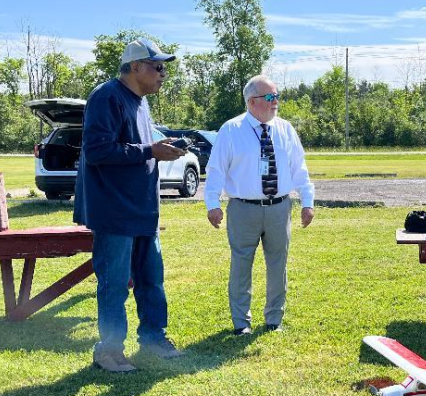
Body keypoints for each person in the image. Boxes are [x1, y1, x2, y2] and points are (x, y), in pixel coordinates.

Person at [74, 38, 188, 373]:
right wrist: (151, 151)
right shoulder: (106, 96)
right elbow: (97, 151)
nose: (163, 73)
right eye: (157, 67)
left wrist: (159, 145)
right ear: (136, 67)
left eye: (163, 67)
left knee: (151, 278)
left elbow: (138, 144)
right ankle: (108, 351)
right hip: (115, 212)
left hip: (141, 211)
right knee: (115, 283)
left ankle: (153, 338)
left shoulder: (140, 102)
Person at [204, 75, 315, 335]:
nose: (276, 101)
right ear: (252, 101)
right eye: (270, 97)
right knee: (241, 264)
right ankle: (241, 322)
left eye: (277, 96)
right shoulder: (231, 129)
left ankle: (274, 319)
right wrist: (212, 203)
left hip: (279, 207)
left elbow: (299, 168)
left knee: (278, 264)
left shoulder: (286, 129)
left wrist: (307, 201)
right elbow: (216, 169)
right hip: (243, 208)